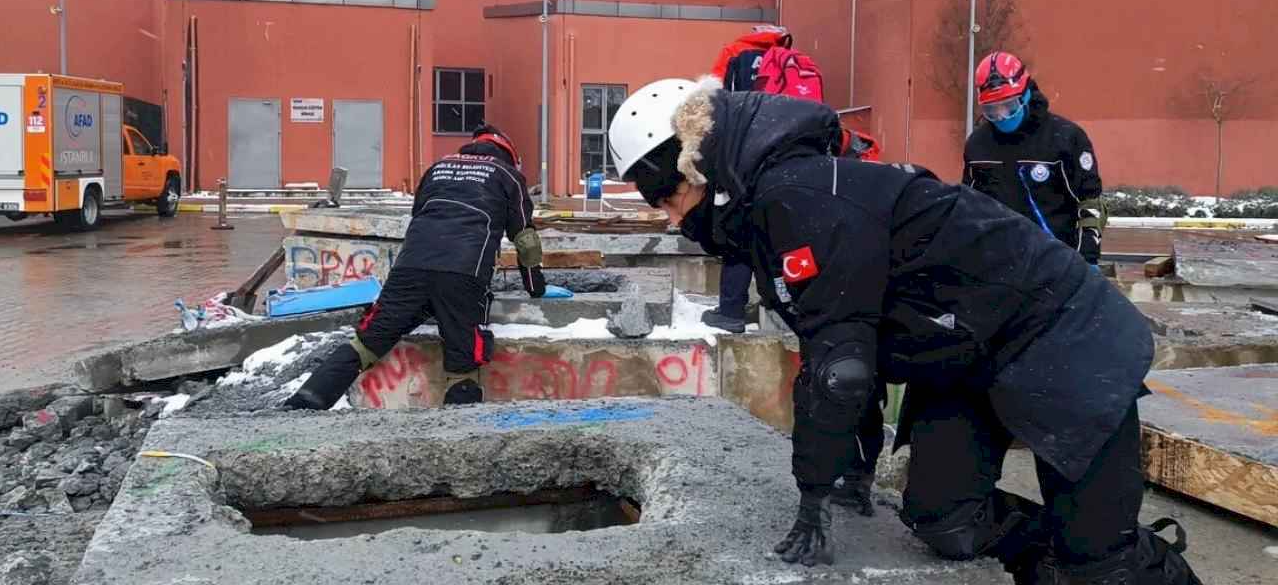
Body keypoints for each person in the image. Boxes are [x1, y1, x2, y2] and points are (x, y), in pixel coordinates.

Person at [605, 76, 1201, 584]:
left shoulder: (799, 197)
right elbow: (837, 336)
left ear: (695, 165)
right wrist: (854, 465)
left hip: (1058, 330)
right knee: (946, 520)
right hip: (963, 350)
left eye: (664, 193)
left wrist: (815, 490)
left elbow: (842, 370)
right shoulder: (768, 210)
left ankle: (1123, 563)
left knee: (1099, 558)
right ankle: (1056, 565)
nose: (668, 214)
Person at [283, 124, 545, 410]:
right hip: (464, 273)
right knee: (464, 356)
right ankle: (460, 432)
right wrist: (535, 287)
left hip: (410, 268)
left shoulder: (438, 168)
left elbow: (419, 216)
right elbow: (526, 240)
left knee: (368, 342)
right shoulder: (508, 175)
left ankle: (304, 403)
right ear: (509, 154)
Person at [964, 51, 1106, 268]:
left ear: (1025, 94)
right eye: (992, 110)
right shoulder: (978, 146)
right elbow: (970, 207)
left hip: (1058, 263)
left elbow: (1089, 202)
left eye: (1009, 106)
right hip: (998, 266)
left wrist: (1087, 258)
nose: (1002, 116)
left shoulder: (1066, 139)